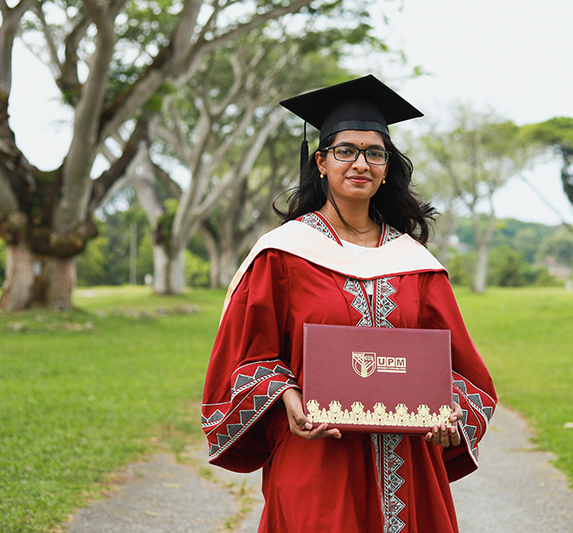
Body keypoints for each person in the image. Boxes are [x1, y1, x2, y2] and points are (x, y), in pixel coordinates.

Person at [201, 75, 497, 532]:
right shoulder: (283, 253)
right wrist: (286, 397)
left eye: (374, 153)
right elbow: (246, 356)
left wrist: (451, 413)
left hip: (408, 466)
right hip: (318, 457)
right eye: (346, 151)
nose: (360, 163)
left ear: (386, 166)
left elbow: (460, 368)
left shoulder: (415, 263)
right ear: (321, 162)